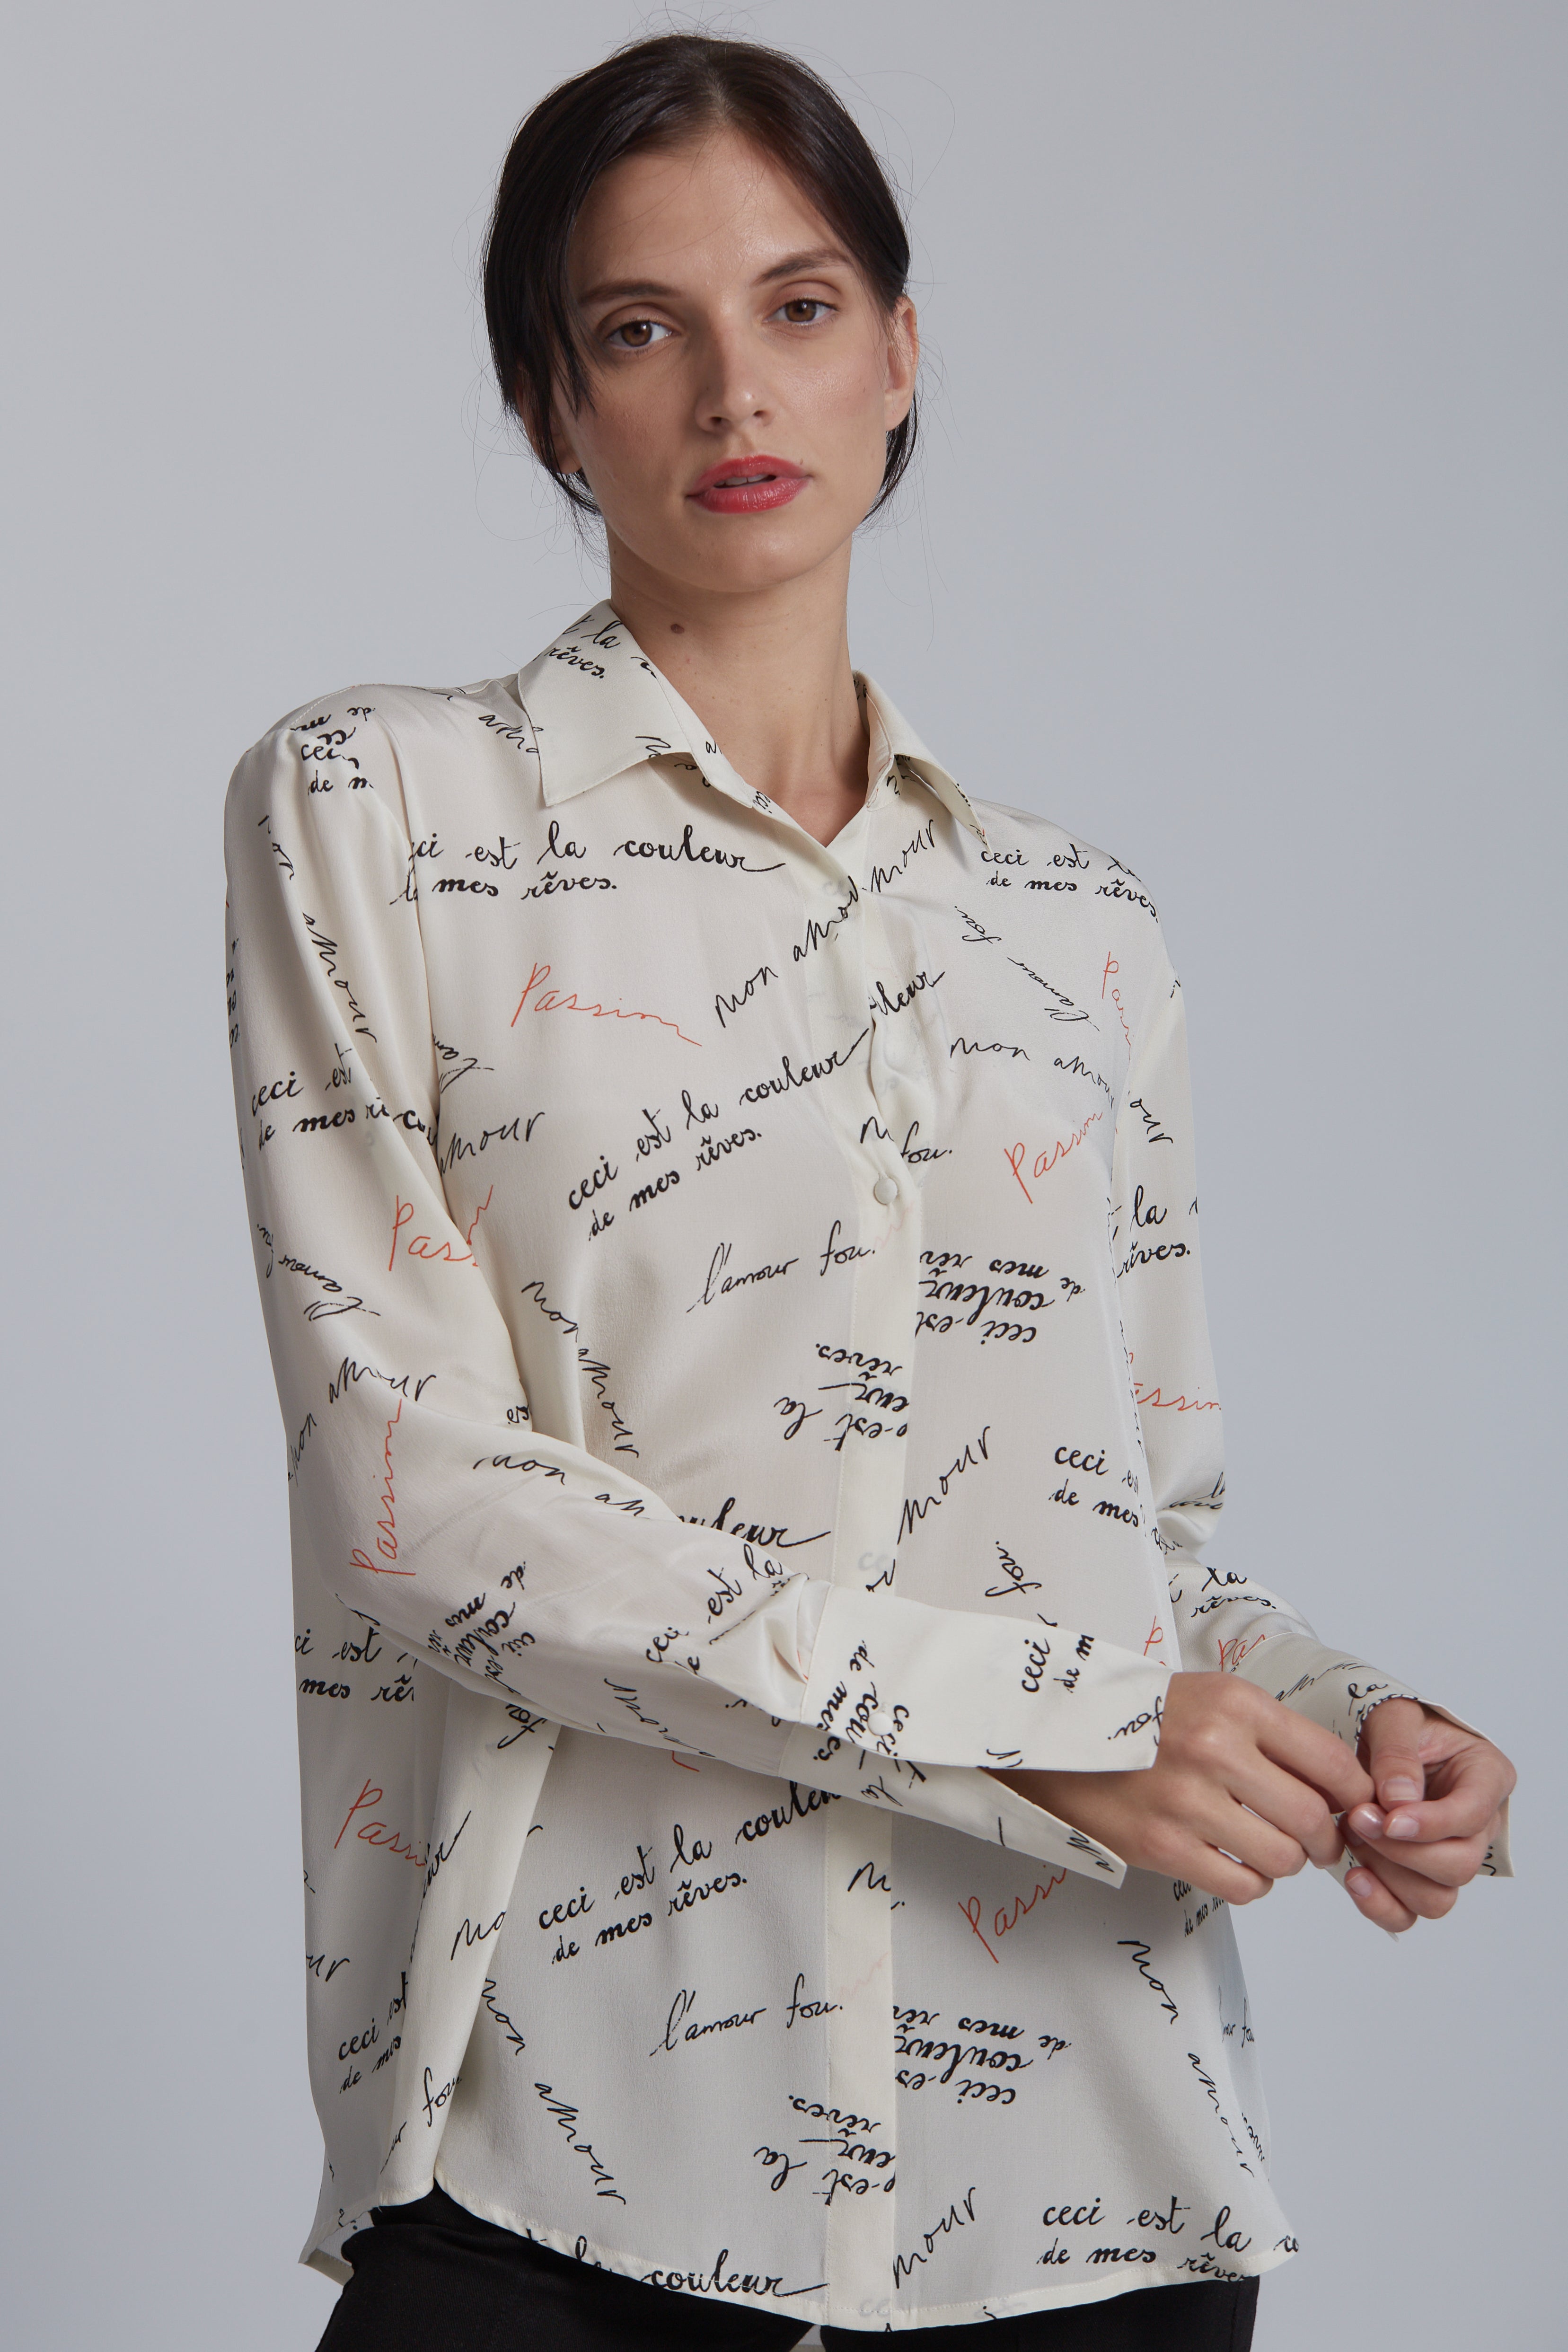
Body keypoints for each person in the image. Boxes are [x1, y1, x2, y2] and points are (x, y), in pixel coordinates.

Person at [222, 33, 1515, 2351]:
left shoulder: (1073, 924)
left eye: (803, 306)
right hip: (568, 2158)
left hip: (1091, 2177)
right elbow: (414, 1507)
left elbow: (1142, 1539)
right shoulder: (379, 811)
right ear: (550, 404)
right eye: (641, 327)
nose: (738, 382)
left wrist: (1346, 1717)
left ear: (901, 354)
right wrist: (1048, 1718)